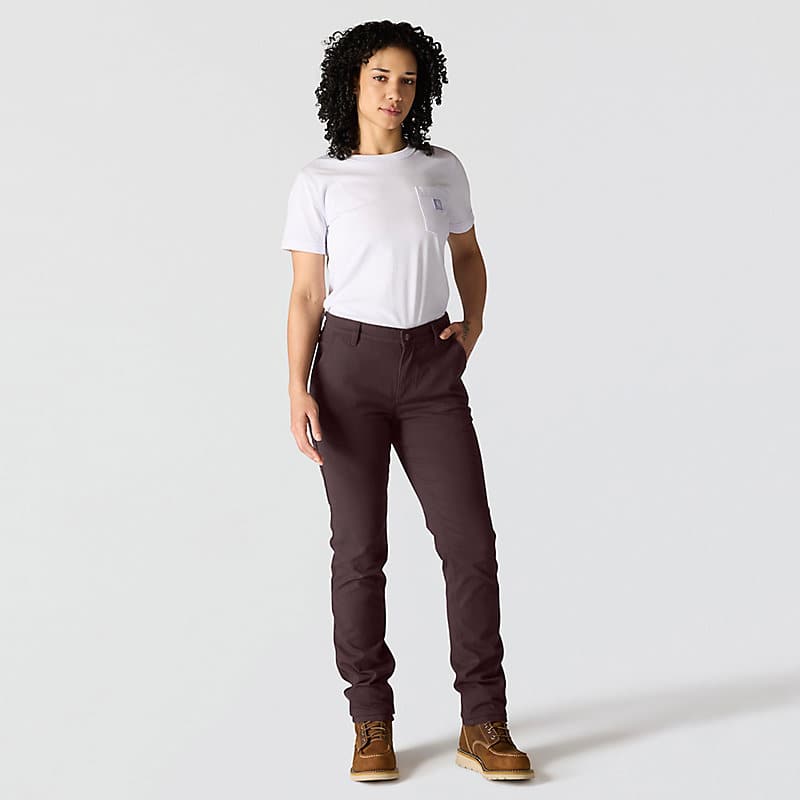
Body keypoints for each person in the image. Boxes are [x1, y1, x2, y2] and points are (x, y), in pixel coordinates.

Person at [280, 20, 534, 782]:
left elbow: (468, 254)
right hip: (347, 372)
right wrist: (296, 385)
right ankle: (371, 722)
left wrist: (473, 325)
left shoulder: (439, 169)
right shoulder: (321, 181)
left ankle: (483, 721)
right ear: (352, 83)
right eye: (381, 77)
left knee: (470, 544)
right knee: (359, 552)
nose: (395, 93)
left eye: (408, 80)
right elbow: (305, 293)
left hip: (430, 371)